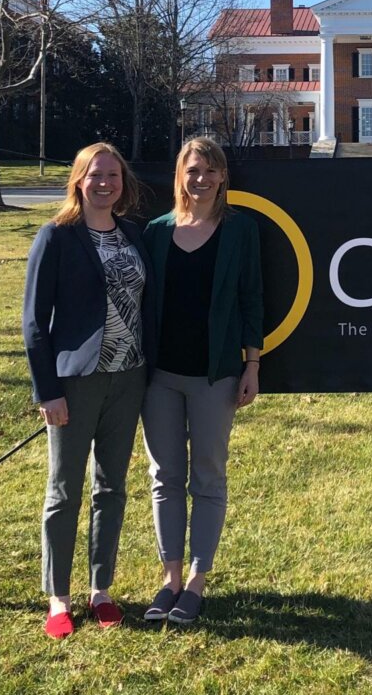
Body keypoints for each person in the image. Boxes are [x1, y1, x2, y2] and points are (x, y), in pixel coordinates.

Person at [23, 142, 155, 639]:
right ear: (79, 180)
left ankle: (101, 589)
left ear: (123, 183)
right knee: (64, 491)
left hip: (129, 378)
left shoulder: (134, 236)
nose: (105, 183)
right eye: (95, 175)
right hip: (75, 383)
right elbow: (35, 322)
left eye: (113, 176)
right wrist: (47, 390)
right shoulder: (56, 237)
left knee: (112, 487)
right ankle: (59, 596)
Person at [140, 137, 263, 625]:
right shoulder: (155, 232)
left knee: (207, 478)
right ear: (181, 176)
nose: (202, 179)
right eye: (194, 170)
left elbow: (252, 298)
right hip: (160, 378)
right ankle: (169, 579)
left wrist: (252, 365)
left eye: (211, 170)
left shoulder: (240, 231)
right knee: (164, 478)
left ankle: (196, 582)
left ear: (222, 177)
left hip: (215, 376)